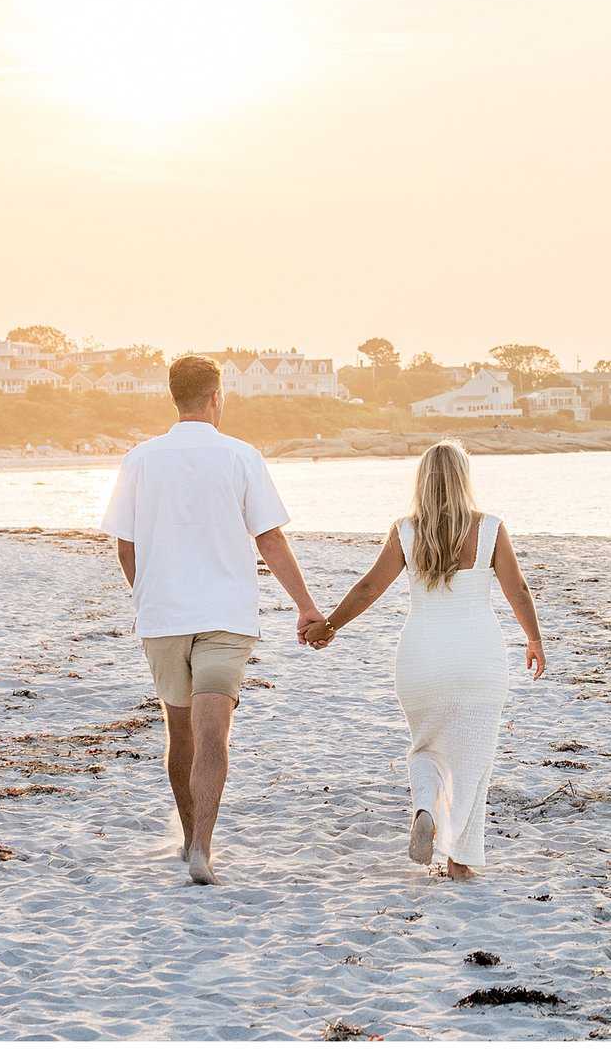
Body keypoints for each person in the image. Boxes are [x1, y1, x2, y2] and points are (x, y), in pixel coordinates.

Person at [100, 354, 324, 885]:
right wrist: (306, 606)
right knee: (213, 733)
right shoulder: (241, 456)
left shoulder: (140, 459)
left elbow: (125, 549)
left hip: (163, 617)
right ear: (217, 396)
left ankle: (187, 836)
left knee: (180, 732)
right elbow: (269, 538)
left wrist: (149, 597)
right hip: (225, 615)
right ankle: (203, 846)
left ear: (174, 397)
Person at [305, 439, 546, 879]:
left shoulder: (405, 531)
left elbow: (367, 590)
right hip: (478, 661)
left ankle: (425, 809)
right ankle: (460, 862)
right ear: (463, 479)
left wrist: (330, 626)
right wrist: (534, 639)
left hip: (421, 660)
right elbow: (519, 591)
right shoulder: (489, 527)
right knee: (473, 761)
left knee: (426, 747)